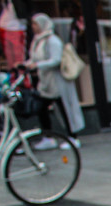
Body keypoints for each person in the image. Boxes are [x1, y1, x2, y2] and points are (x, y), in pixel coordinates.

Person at [25, 12, 84, 149]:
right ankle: (48, 136)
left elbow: (56, 60)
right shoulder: (37, 40)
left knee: (65, 109)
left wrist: (37, 65)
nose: (33, 27)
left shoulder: (52, 40)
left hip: (58, 82)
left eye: (35, 24)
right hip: (46, 83)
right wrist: (26, 64)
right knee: (42, 108)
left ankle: (73, 137)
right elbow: (34, 58)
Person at [0, 0, 28, 71]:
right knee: (10, 59)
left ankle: (22, 78)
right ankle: (13, 77)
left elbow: (24, 11)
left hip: (17, 29)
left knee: (18, 59)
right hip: (3, 28)